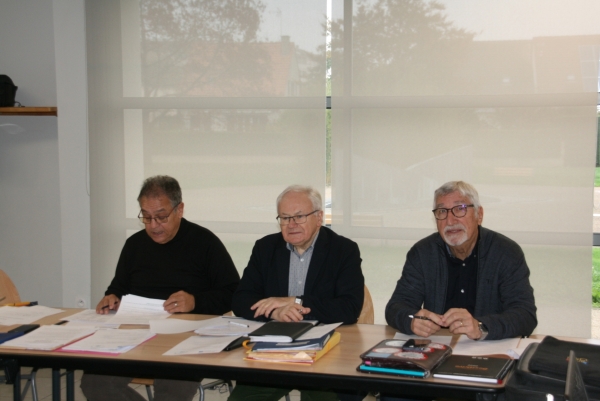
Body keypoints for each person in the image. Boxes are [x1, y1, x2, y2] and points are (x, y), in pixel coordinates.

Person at [81, 175, 240, 401]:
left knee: (171, 392)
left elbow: (233, 292)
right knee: (95, 383)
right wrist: (112, 296)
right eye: (146, 217)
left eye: (161, 217)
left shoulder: (205, 243)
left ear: (179, 209)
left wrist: (196, 301)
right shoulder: (134, 245)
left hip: (187, 338)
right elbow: (118, 286)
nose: (154, 225)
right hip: (137, 336)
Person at [381, 181, 537, 400]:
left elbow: (525, 315)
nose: (450, 220)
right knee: (395, 392)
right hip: (436, 355)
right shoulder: (422, 252)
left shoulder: (506, 252)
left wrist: (481, 326)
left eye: (460, 209)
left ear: (479, 214)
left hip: (487, 355)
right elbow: (396, 307)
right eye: (442, 212)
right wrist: (412, 320)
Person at [228, 185, 364, 401]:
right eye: (284, 218)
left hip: (325, 351)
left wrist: (295, 302)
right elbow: (241, 299)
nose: (291, 225)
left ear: (319, 217)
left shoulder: (343, 250)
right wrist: (274, 312)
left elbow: (349, 308)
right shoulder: (265, 248)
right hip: (273, 350)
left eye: (299, 217)